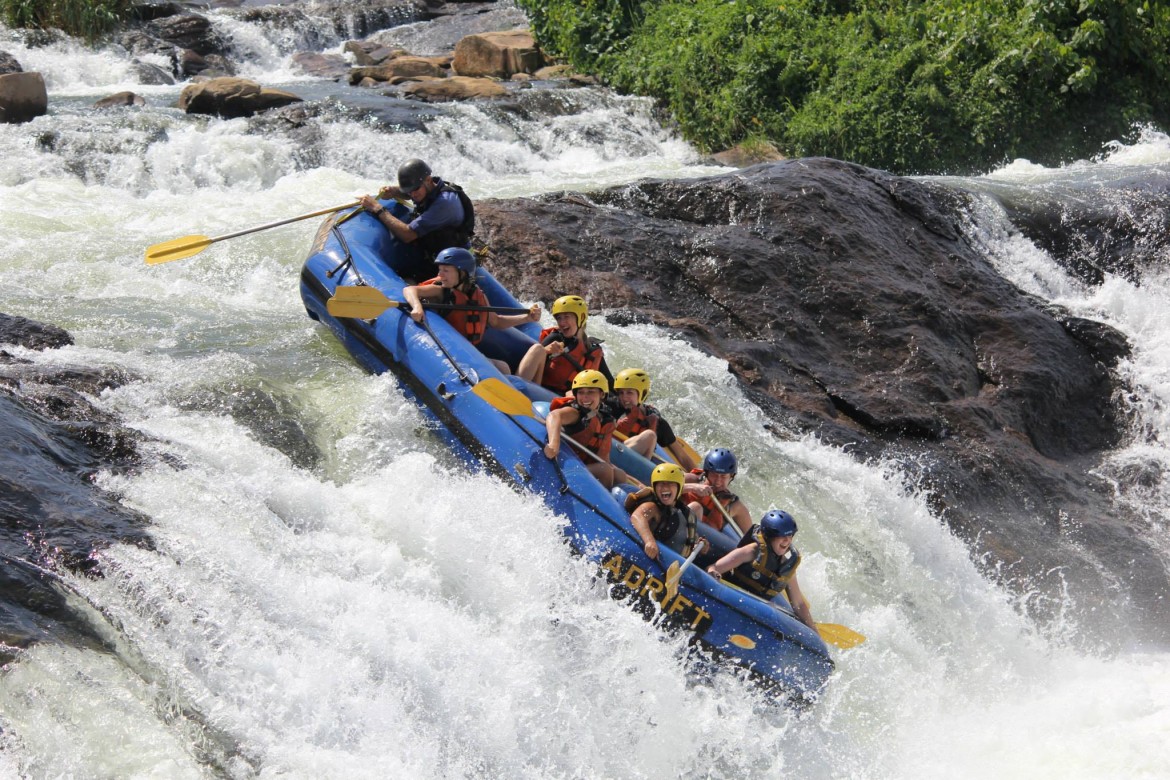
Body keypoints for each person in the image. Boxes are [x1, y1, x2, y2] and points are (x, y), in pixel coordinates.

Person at [402, 247, 540, 373]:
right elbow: (410, 290)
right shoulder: (440, 291)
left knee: (504, 367)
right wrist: (417, 306)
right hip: (448, 351)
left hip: (467, 351)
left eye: (446, 270)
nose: (440, 274)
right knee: (502, 369)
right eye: (440, 269)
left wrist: (527, 318)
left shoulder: (478, 295)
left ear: (462, 273)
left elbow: (496, 321)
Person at [358, 158, 476, 281]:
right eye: (409, 191)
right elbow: (415, 193)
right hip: (435, 254)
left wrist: (377, 209)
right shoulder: (431, 187)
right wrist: (395, 191)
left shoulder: (444, 204)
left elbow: (408, 234)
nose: (412, 194)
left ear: (428, 180)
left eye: (415, 189)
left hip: (453, 266)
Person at [706, 509, 816, 630]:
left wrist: (814, 632)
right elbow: (713, 567)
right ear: (769, 536)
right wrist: (713, 574)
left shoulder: (787, 566)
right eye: (782, 536)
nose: (787, 540)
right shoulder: (751, 551)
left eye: (790, 535)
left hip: (756, 614)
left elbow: (799, 604)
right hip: (731, 600)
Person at [543, 369, 627, 488]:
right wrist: (553, 444)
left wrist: (635, 481)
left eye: (591, 392)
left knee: (619, 474)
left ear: (602, 394)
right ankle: (602, 503)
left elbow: (604, 459)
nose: (585, 397)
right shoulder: (576, 412)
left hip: (581, 467)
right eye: (581, 392)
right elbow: (554, 416)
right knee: (604, 470)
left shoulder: (605, 420)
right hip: (563, 466)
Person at [516, 294, 612, 394]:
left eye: (566, 317)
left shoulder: (592, 350)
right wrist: (546, 351)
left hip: (568, 399)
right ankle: (515, 391)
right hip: (540, 391)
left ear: (581, 317)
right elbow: (532, 358)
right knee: (537, 349)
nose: (562, 322)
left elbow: (610, 384)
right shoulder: (556, 338)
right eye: (559, 318)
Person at [610, 367, 698, 472]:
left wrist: (697, 474)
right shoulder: (612, 407)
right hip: (613, 453)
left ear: (642, 394)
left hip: (637, 465)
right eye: (621, 393)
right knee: (649, 436)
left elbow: (682, 457)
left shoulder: (658, 423)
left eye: (629, 393)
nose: (624, 398)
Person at [627, 463, 708, 561]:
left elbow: (682, 538)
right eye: (661, 484)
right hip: (654, 561)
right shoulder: (652, 506)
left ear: (679, 488)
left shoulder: (684, 513)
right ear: (654, 487)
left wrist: (699, 546)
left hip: (674, 565)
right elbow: (637, 516)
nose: (665, 488)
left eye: (670, 483)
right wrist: (649, 541)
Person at [684, 447, 753, 535]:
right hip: (676, 527)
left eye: (723, 477)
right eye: (714, 475)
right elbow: (663, 488)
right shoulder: (691, 479)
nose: (718, 482)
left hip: (704, 543)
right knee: (695, 507)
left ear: (731, 477)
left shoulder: (735, 506)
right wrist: (692, 488)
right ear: (707, 472)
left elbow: (751, 537)